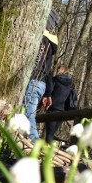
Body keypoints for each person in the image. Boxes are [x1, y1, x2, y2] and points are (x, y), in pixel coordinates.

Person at [24, 10, 59, 142]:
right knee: (28, 112)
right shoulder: (50, 43)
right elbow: (48, 70)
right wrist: (48, 93)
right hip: (41, 83)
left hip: (33, 81)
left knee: (28, 114)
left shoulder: (42, 40)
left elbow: (37, 64)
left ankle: (34, 143)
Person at [44, 65, 77, 143]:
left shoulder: (54, 80)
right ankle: (49, 151)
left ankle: (47, 152)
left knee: (49, 134)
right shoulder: (70, 84)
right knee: (52, 133)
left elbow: (49, 91)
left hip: (53, 109)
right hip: (63, 112)